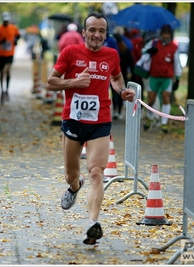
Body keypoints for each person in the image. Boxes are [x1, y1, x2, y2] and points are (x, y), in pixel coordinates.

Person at [46, 12, 135, 245]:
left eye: (101, 31)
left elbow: (116, 77)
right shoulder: (70, 53)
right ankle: (75, 187)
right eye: (92, 30)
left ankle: (92, 224)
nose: (97, 35)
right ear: (84, 33)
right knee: (71, 175)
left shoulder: (112, 55)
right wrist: (74, 82)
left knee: (96, 172)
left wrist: (121, 91)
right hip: (73, 122)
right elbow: (51, 82)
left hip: (100, 122)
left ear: (106, 34)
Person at [142, 24, 182, 133]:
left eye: (168, 33)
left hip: (166, 77)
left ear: (170, 35)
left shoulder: (174, 47)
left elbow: (177, 63)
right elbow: (143, 52)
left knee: (166, 98)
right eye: (164, 33)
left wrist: (177, 78)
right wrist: (149, 51)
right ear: (161, 34)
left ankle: (164, 123)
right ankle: (150, 118)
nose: (166, 35)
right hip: (154, 75)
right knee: (151, 99)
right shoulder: (154, 43)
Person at [0, 12, 21, 104]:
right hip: (1, 54)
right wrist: (0, 41)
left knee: (7, 71)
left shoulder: (13, 28)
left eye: (7, 21)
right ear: (3, 20)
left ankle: (7, 90)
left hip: (10, 53)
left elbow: (18, 36)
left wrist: (15, 41)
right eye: (5, 21)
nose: (6, 22)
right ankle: (2, 90)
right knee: (1, 73)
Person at [112, 33, 135, 119]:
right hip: (122, 74)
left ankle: (116, 111)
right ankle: (119, 111)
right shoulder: (125, 50)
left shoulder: (114, 51)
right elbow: (131, 63)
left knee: (116, 92)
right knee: (120, 92)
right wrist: (132, 73)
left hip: (115, 74)